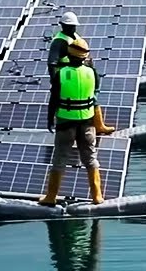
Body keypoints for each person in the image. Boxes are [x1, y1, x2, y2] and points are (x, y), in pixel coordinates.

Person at [40, 38, 105, 206]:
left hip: (66, 123)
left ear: (69, 55)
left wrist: (49, 119)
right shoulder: (92, 72)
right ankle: (97, 196)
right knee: (90, 158)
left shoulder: (61, 74)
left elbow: (54, 99)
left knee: (60, 159)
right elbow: (94, 93)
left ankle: (51, 197)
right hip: (87, 122)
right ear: (85, 57)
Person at [47, 11, 113, 135]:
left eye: (73, 26)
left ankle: (98, 125)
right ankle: (66, 127)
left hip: (81, 73)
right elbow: (52, 63)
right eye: (69, 25)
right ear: (62, 26)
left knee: (91, 97)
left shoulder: (75, 37)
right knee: (67, 103)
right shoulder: (59, 41)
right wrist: (54, 79)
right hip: (66, 77)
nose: (71, 28)